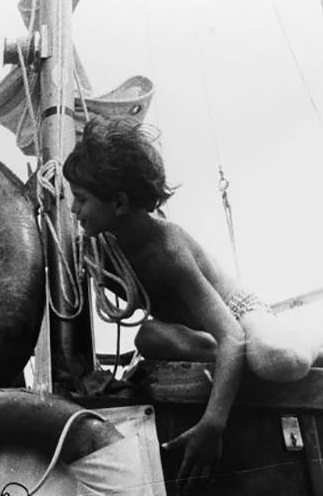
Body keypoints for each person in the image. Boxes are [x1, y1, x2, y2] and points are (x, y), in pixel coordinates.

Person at [62, 117, 322, 492]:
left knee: (275, 359)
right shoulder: (104, 245)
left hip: (238, 316)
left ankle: (312, 339)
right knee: (148, 337)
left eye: (81, 199)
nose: (72, 210)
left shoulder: (166, 248)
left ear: (119, 202)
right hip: (201, 334)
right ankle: (238, 362)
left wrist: (212, 424)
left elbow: (232, 334)